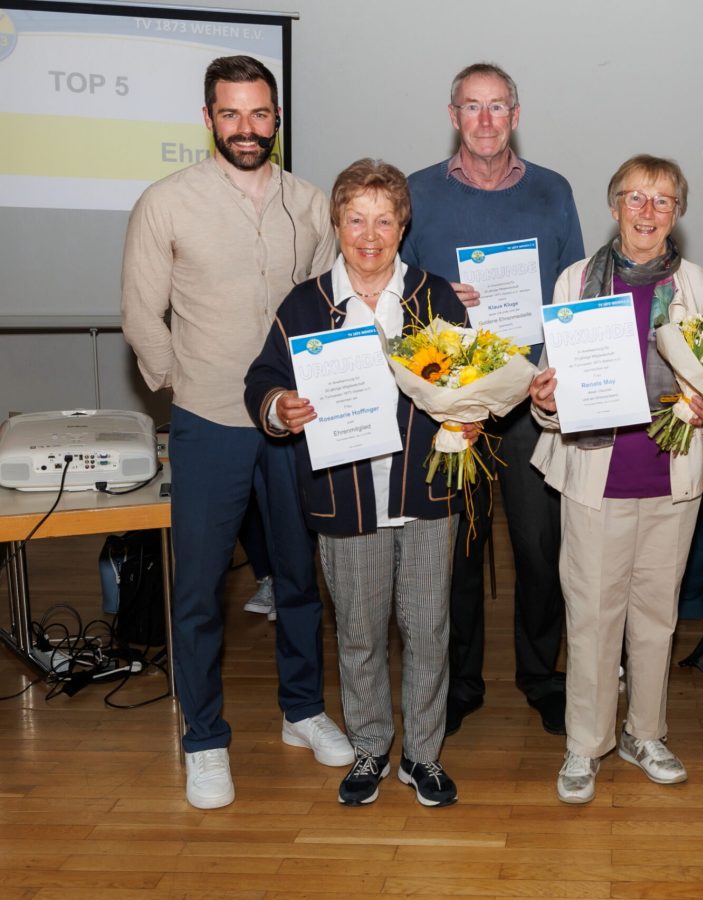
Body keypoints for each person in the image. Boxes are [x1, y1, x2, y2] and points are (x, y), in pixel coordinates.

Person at [121, 55, 350, 810]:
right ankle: (205, 740)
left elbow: (329, 305)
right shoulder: (166, 203)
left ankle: (303, 710)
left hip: (291, 423)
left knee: (298, 579)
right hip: (209, 422)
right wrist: (182, 386)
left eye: (258, 114)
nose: (245, 129)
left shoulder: (310, 203)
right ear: (208, 118)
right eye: (230, 114)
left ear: (276, 117)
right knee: (198, 589)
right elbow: (141, 316)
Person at [245, 158, 472, 808]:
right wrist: (280, 406)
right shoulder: (306, 304)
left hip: (425, 494)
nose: (369, 235)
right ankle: (371, 745)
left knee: (428, 630)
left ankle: (423, 756)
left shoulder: (435, 297)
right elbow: (262, 379)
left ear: (403, 227)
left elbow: (472, 380)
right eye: (356, 220)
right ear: (338, 224)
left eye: (384, 220)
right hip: (344, 496)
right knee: (360, 632)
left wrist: (473, 413)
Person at [528, 155, 703, 804]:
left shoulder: (696, 284)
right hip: (596, 476)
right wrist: (546, 402)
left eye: (662, 200)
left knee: (656, 616)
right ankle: (586, 745)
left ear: (677, 213)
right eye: (635, 198)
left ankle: (646, 734)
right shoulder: (575, 280)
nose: (647, 211)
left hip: (673, 473)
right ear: (613, 206)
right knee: (592, 617)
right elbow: (550, 386)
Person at [401, 62, 583, 737]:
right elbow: (393, 291)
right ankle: (460, 682)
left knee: (541, 549)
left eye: (497, 106)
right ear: (453, 116)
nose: (485, 120)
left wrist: (561, 374)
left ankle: (542, 676)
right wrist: (434, 295)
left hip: (532, 403)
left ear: (515, 115)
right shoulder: (417, 192)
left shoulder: (552, 190)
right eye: (472, 107)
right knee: (457, 553)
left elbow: (573, 291)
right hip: (453, 405)